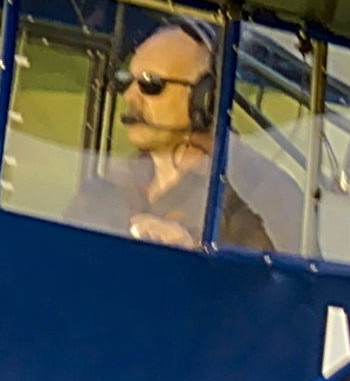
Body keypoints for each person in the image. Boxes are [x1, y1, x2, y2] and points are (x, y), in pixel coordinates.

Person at [84, 21, 286, 252]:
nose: (129, 95)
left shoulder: (262, 192)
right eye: (125, 81)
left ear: (205, 97)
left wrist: (192, 259)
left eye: (151, 84)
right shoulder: (109, 185)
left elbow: (282, 284)